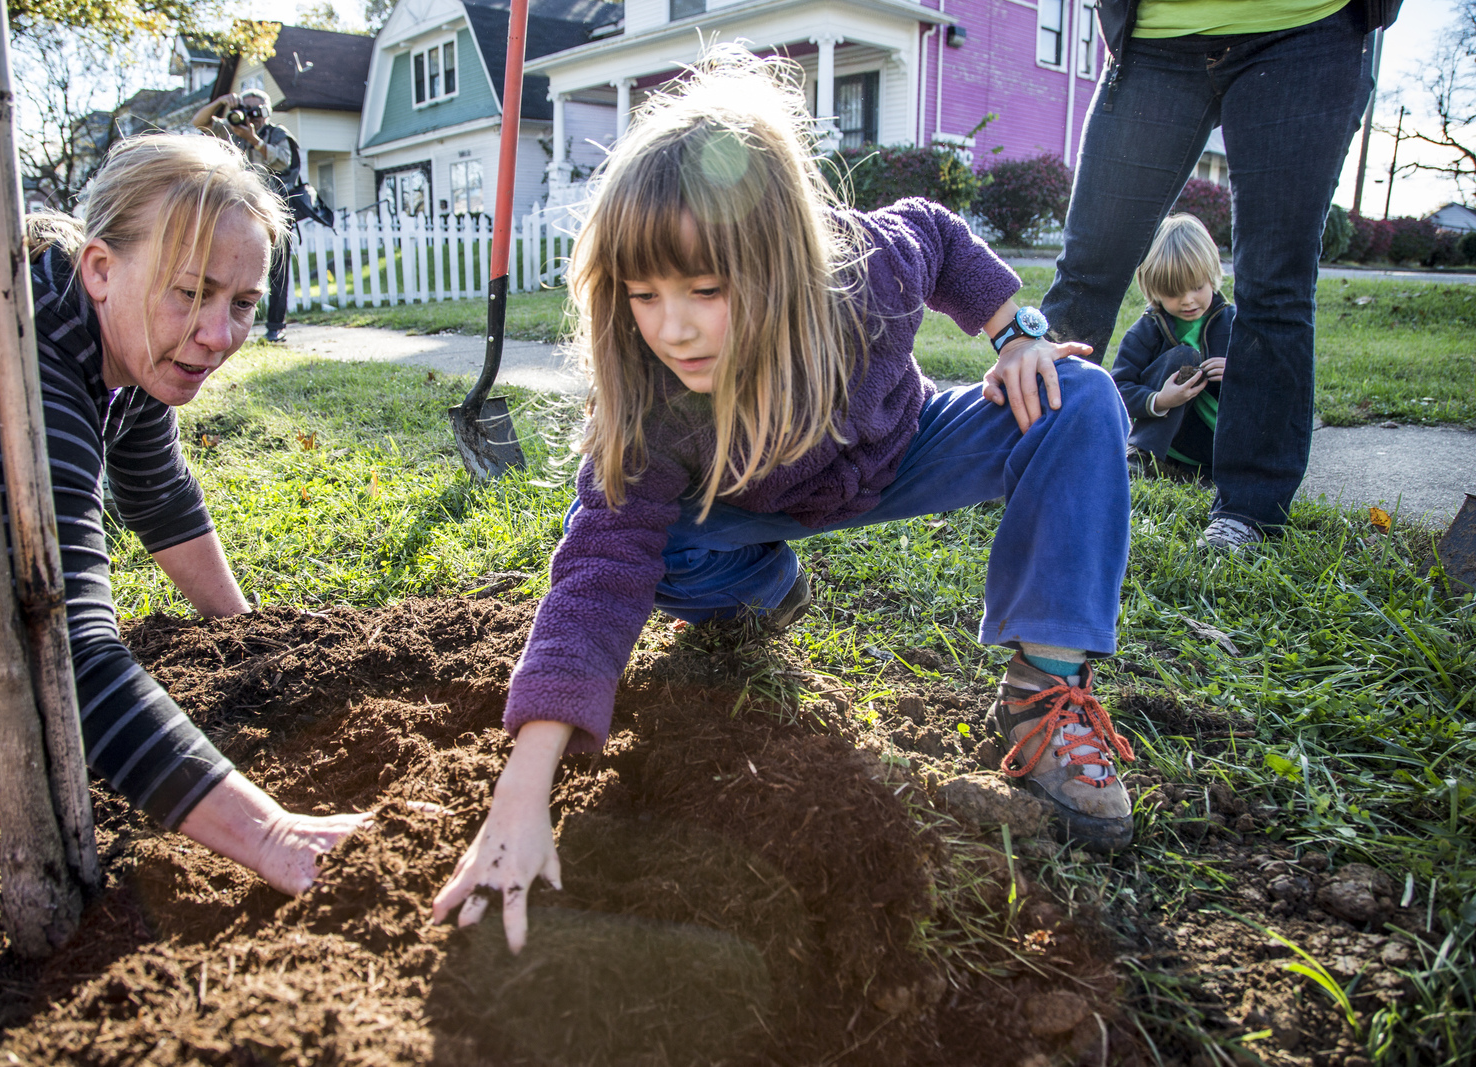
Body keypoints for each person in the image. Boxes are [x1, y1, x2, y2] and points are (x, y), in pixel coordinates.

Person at [432, 49, 1139, 955]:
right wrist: (520, 794)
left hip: (901, 449)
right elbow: (598, 573)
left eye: (705, 290)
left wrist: (1015, 333)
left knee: (1078, 400)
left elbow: (940, 234)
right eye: (644, 295)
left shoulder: (868, 269)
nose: (673, 326)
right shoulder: (651, 400)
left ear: (786, 260)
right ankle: (762, 590)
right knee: (662, 554)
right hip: (750, 505)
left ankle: (1045, 688)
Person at [0, 134, 370, 895]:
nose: (217, 336)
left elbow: (158, 494)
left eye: (242, 303)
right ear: (101, 267)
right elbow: (64, 649)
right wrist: (272, 833)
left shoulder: (123, 335)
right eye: (191, 292)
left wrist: (247, 637)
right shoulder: (16, 368)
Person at [1040, 0, 1402, 551]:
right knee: (1087, 270)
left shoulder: (1222, 318)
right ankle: (1023, 456)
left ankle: (1247, 512)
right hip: (1155, 38)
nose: (1187, 299)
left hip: (1307, 30)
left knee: (1274, 286)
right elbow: (1123, 374)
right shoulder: (1153, 328)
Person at [1110, 214, 1234, 480]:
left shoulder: (1235, 323)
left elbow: (1271, 377)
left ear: (1212, 276)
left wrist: (1240, 372)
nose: (1187, 301)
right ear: (1153, 289)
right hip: (1172, 444)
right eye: (1173, 292)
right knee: (1185, 356)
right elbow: (1119, 389)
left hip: (1226, 447)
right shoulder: (1145, 332)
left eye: (1197, 287)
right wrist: (1160, 400)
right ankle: (1141, 455)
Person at [193, 88, 299, 343]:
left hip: (275, 211)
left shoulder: (277, 134)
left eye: (256, 110)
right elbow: (199, 122)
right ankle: (226, 322)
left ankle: (276, 325)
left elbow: (284, 161)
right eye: (246, 109)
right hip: (239, 210)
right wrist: (221, 102)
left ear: (267, 112)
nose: (251, 116)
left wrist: (255, 141)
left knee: (277, 271)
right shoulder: (231, 130)